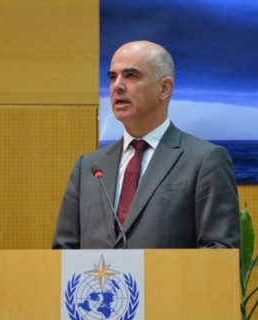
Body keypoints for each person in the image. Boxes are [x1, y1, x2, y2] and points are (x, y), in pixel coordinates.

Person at [52, 40, 240, 249]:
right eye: (113, 77)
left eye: (131, 75)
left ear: (164, 88)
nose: (118, 86)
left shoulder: (205, 160)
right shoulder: (88, 168)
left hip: (170, 282)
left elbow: (221, 254)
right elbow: (63, 253)